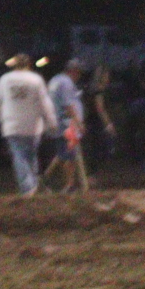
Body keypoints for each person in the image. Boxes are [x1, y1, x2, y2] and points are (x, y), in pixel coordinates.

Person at [0, 52, 59, 196]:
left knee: (19, 155)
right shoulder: (36, 79)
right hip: (33, 125)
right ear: (28, 65)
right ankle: (33, 184)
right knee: (31, 156)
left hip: (12, 124)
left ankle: (28, 187)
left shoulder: (5, 79)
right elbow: (44, 103)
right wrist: (51, 121)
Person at [46, 59, 89, 193]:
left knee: (63, 154)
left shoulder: (56, 80)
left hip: (58, 122)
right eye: (79, 72)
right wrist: (78, 123)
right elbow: (68, 105)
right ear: (73, 71)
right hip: (67, 123)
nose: (80, 76)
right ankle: (68, 185)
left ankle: (46, 179)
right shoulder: (66, 82)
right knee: (69, 155)